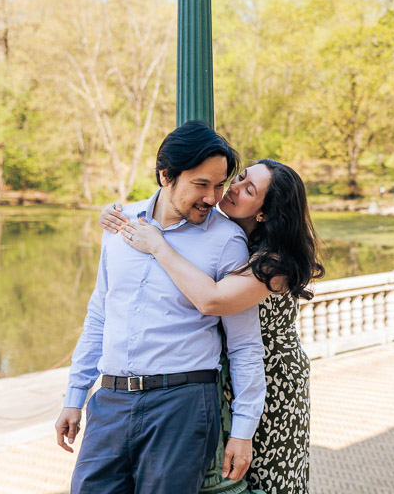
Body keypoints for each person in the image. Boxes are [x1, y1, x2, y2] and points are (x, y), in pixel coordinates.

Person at [54, 121, 266, 494]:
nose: (213, 197)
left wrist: (244, 430)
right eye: (201, 184)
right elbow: (99, 316)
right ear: (166, 176)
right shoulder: (119, 225)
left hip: (182, 406)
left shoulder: (226, 240)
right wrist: (75, 396)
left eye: (220, 185)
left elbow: (244, 343)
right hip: (111, 401)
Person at [100, 157, 324, 494]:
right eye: (240, 178)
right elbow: (176, 198)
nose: (233, 189)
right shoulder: (223, 233)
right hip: (224, 378)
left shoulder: (273, 260)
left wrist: (157, 246)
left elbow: (212, 300)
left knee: (266, 480)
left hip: (272, 380)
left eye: (249, 190)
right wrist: (120, 216)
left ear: (265, 212)